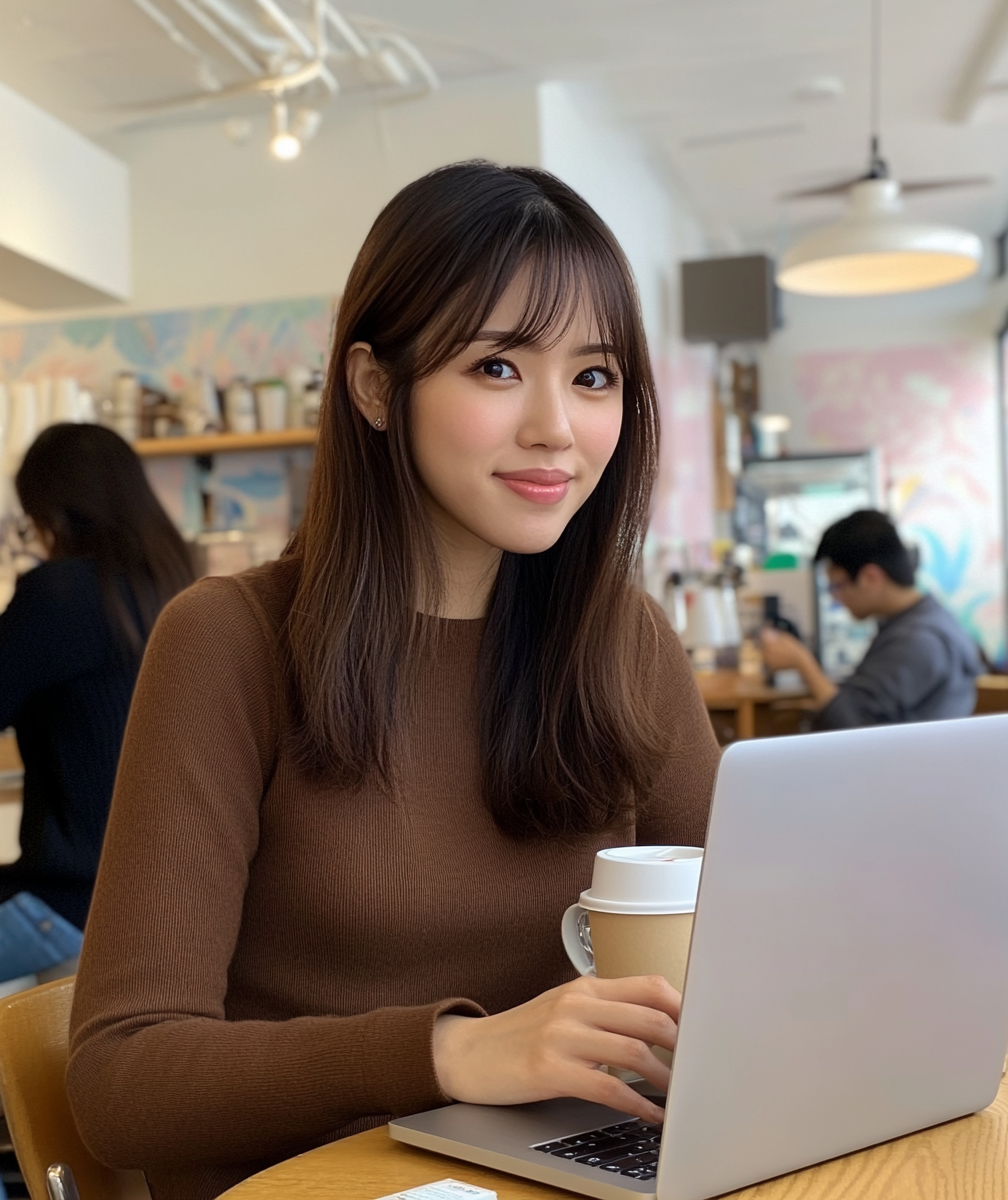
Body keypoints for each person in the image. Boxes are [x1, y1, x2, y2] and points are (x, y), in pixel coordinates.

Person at [66, 162, 722, 1200]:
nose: (558, 424)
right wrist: (456, 1054)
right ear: (377, 386)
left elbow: (748, 945)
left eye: (594, 376)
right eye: (500, 367)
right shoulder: (228, 643)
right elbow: (120, 1078)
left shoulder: (623, 641)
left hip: (566, 1173)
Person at [0, 423, 194, 984]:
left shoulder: (60, 593)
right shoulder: (172, 584)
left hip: (72, 903)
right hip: (156, 903)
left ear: (56, 513)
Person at [761, 509, 980, 729]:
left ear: (870, 578)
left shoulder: (917, 640)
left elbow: (853, 727)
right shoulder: (925, 620)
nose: (835, 597)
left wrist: (802, 662)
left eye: (837, 585)